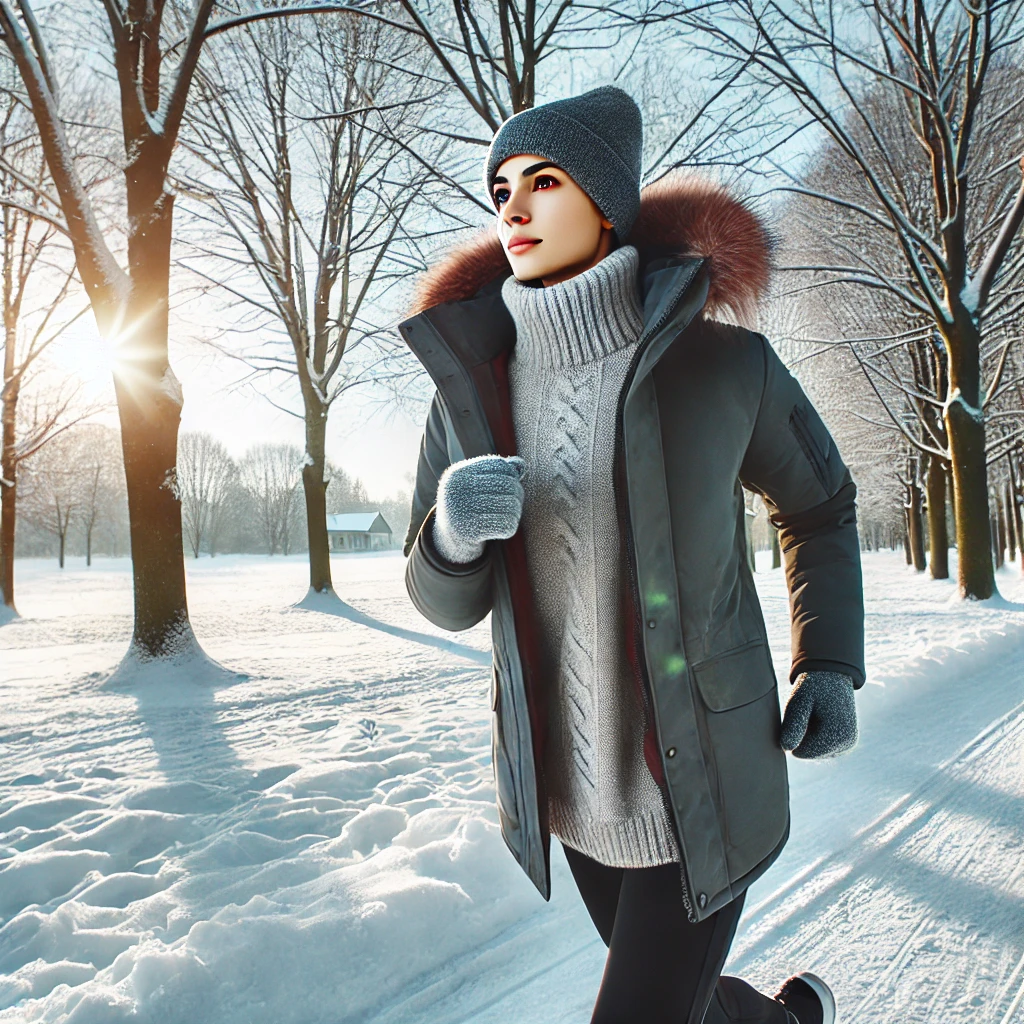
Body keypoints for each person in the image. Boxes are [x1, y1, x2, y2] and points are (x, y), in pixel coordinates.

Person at [397, 85, 864, 1024]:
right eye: (500, 189)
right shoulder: (468, 391)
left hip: (707, 780)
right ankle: (782, 1021)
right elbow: (442, 598)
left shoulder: (727, 367)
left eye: (544, 180)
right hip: (571, 790)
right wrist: (450, 536)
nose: (514, 209)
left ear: (607, 202)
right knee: (679, 1005)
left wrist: (830, 665)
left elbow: (822, 508)